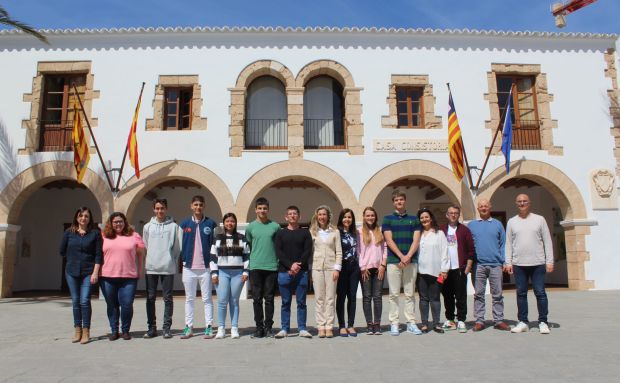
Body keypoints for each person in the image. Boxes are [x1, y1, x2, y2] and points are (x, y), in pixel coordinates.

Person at [505, 194, 554, 335]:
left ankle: (543, 322)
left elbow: (547, 241)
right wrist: (508, 262)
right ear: (516, 203)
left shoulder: (539, 219)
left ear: (529, 203)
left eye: (524, 201)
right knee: (521, 293)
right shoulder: (511, 222)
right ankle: (523, 322)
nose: (522, 203)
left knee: (540, 293)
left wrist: (549, 261)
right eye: (519, 201)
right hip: (519, 264)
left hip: (538, 263)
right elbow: (508, 243)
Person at [381, 189, 422, 336]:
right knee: (393, 293)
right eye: (396, 200)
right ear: (393, 202)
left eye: (401, 199)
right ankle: (394, 323)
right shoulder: (387, 219)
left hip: (411, 261)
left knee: (410, 293)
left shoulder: (414, 219)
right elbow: (388, 239)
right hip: (393, 261)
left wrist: (408, 256)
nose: (399, 202)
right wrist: (401, 256)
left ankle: (411, 322)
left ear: (405, 201)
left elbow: (416, 240)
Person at [59, 206, 102, 344]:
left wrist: (95, 272)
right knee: (75, 301)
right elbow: (62, 251)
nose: (83, 218)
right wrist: (73, 259)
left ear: (90, 219)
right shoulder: (69, 233)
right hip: (71, 271)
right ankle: (77, 330)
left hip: (88, 272)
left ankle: (86, 331)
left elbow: (98, 255)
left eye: (86, 216)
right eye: (81, 216)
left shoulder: (95, 234)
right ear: (76, 217)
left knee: (84, 301)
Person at [100, 212, 145, 340]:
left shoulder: (134, 235)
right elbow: (97, 255)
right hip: (107, 276)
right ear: (111, 223)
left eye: (120, 221)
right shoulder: (103, 236)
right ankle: (114, 330)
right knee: (112, 304)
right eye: (115, 222)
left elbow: (141, 254)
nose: (118, 224)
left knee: (127, 304)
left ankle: (125, 330)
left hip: (129, 277)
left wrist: (140, 269)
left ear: (124, 222)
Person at [467, 198, 510, 332]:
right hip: (478, 265)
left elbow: (503, 244)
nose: (484, 208)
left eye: (486, 206)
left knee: (497, 294)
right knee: (478, 294)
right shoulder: (472, 225)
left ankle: (498, 320)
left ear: (490, 207)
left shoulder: (498, 224)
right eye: (481, 206)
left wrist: (504, 261)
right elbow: (469, 246)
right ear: (478, 209)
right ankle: (479, 321)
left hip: (495, 265)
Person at [142, 198, 182, 339]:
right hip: (151, 267)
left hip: (167, 267)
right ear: (154, 209)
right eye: (157, 208)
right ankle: (152, 328)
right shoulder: (147, 227)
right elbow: (145, 246)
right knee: (150, 298)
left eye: (162, 208)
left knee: (168, 298)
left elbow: (177, 247)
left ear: (166, 209)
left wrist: (171, 259)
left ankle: (166, 328)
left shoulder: (174, 227)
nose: (160, 211)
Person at [178, 195, 217, 339]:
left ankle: (209, 327)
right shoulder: (184, 224)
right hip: (188, 268)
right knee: (189, 299)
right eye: (195, 204)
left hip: (205, 268)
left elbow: (214, 246)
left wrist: (213, 267)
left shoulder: (211, 224)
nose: (198, 207)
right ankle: (188, 327)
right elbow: (180, 246)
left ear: (204, 206)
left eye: (200, 205)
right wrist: (182, 262)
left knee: (207, 299)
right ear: (191, 206)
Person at [274, 206, 313, 339]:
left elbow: (307, 251)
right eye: (290, 214)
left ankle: (302, 328)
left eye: (295, 214)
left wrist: (297, 266)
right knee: (285, 302)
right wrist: (290, 265)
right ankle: (284, 328)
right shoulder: (280, 233)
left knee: (301, 302)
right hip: (284, 272)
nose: (292, 216)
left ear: (299, 216)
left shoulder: (305, 233)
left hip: (301, 273)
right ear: (286, 217)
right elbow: (279, 252)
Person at [245, 197, 280, 338]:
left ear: (268, 209)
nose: (262, 211)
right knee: (257, 299)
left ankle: (269, 328)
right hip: (255, 266)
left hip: (271, 266)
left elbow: (278, 246)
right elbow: (249, 245)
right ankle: (259, 328)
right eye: (260, 208)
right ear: (255, 209)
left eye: (265, 208)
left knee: (269, 298)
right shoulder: (250, 227)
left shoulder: (275, 226)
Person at [210, 213, 250, 339]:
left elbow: (247, 256)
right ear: (224, 223)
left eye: (232, 221)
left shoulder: (242, 238)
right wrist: (214, 273)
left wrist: (245, 272)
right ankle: (221, 328)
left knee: (234, 301)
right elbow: (212, 257)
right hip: (222, 273)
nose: (229, 223)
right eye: (227, 221)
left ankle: (234, 328)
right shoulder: (217, 238)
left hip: (238, 273)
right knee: (222, 301)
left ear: (235, 223)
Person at [439, 205, 475, 333]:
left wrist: (468, 267)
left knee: (460, 296)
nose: (453, 215)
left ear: (458, 215)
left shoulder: (464, 230)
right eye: (451, 213)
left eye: (455, 213)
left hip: (459, 268)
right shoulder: (441, 230)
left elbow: (471, 250)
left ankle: (461, 320)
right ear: (446, 215)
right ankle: (450, 319)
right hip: (445, 270)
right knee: (447, 295)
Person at [310, 205, 342, 338]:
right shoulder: (312, 232)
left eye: (324, 214)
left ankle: (329, 326)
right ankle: (320, 326)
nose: (322, 217)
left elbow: (339, 252)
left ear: (328, 216)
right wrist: (311, 270)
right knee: (319, 299)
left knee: (330, 298)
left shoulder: (335, 232)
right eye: (320, 214)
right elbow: (310, 252)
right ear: (316, 216)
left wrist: (337, 268)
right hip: (317, 268)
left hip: (331, 269)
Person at [416, 208, 449, 334]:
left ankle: (436, 324)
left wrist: (444, 270)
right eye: (422, 218)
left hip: (436, 272)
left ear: (431, 218)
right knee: (423, 299)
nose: (424, 219)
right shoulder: (417, 234)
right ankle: (424, 324)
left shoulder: (439, 233)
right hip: (420, 272)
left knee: (435, 298)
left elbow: (445, 252)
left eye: (426, 217)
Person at [357, 206, 387, 335]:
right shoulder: (359, 232)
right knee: (367, 297)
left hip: (379, 268)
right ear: (364, 217)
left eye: (372, 215)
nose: (370, 217)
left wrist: (383, 265)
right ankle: (369, 324)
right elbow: (357, 250)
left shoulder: (380, 230)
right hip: (365, 269)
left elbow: (385, 248)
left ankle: (377, 324)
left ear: (375, 217)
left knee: (378, 297)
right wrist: (362, 267)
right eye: (368, 215)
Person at [336, 208, 360, 337]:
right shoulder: (336, 233)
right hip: (342, 268)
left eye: (349, 217)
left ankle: (351, 325)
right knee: (341, 297)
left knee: (352, 297)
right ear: (341, 219)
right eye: (345, 217)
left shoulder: (356, 233)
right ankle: (341, 326)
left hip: (354, 268)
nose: (347, 219)